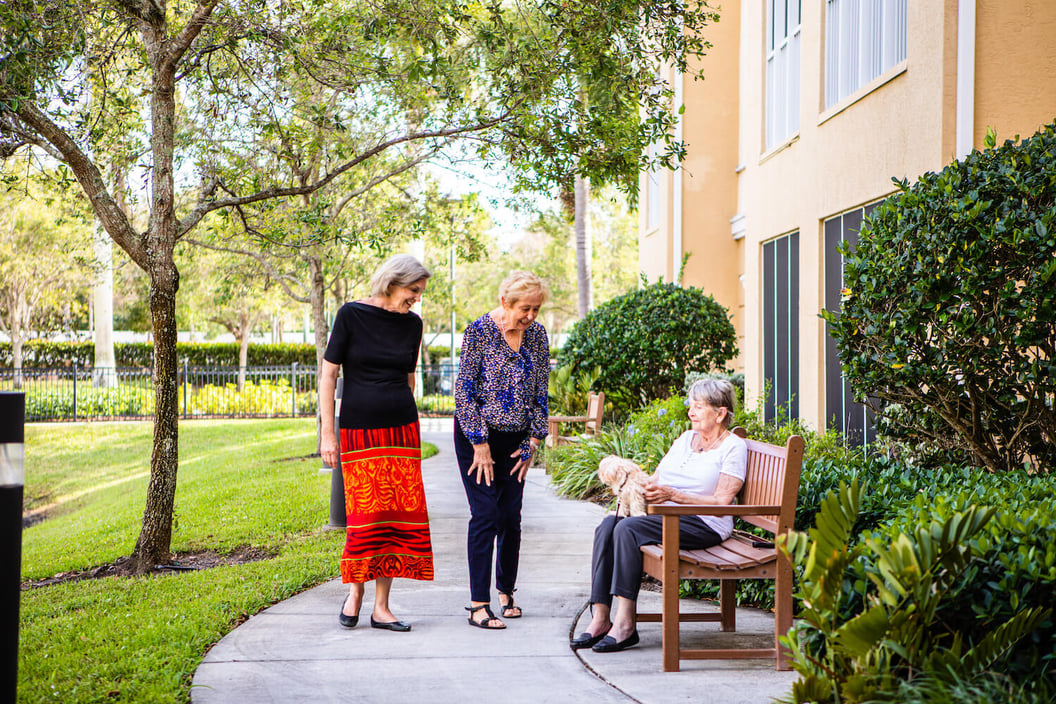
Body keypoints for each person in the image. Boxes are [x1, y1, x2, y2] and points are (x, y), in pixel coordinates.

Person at [571, 378, 747, 653]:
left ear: (720, 412)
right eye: (692, 405)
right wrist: (637, 484)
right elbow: (658, 477)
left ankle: (625, 624)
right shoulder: (686, 439)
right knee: (608, 526)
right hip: (668, 513)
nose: (691, 411)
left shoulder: (733, 447)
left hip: (705, 522)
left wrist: (673, 496)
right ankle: (601, 618)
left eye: (699, 407)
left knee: (627, 530)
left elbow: (723, 501)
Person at [319, 254, 434, 633]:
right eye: (413, 290)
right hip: (359, 429)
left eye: (419, 292)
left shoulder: (412, 325)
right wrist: (327, 434)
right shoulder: (351, 314)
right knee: (365, 517)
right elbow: (329, 375)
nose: (417, 298)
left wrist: (404, 409)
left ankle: (382, 607)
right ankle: (355, 593)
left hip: (401, 430)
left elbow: (409, 377)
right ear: (392, 282)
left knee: (395, 517)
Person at [454, 271, 550, 629]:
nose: (531, 316)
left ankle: (506, 590)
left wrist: (534, 440)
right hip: (477, 438)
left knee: (510, 516)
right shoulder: (478, 331)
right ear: (505, 303)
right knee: (486, 515)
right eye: (525, 308)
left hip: (516, 439)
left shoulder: (537, 335)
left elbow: (541, 389)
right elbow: (463, 392)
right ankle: (479, 604)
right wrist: (479, 442)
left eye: (536, 309)